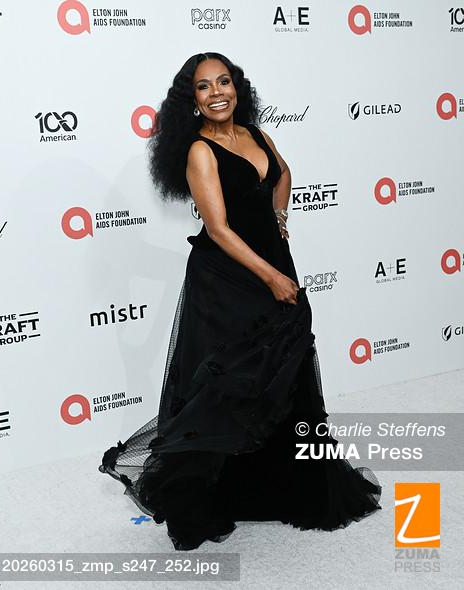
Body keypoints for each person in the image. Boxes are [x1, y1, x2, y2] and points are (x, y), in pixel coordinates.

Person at [99, 52, 382, 551]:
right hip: (227, 279)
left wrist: (278, 220)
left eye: (223, 82)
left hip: (271, 261)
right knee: (228, 381)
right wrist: (272, 276)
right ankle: (201, 493)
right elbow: (219, 229)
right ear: (192, 99)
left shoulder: (256, 134)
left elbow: (282, 173)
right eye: (204, 86)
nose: (216, 93)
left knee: (286, 366)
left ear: (237, 87)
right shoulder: (199, 150)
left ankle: (282, 480)